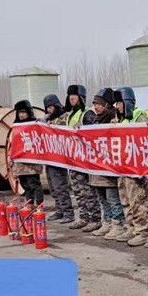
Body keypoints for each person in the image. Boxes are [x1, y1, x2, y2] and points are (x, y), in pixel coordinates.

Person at [114, 86, 148, 246]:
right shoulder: (122, 120)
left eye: (119, 102)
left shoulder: (139, 117)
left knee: (138, 202)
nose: (117, 106)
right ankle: (131, 227)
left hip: (136, 170)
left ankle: (142, 231)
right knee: (126, 200)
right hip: (123, 168)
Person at [87, 88, 127, 239]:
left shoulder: (112, 120)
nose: (95, 107)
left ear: (106, 105)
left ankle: (118, 224)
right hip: (96, 169)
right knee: (103, 200)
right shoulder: (95, 121)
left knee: (113, 199)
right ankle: (107, 222)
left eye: (98, 104)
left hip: (108, 169)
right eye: (94, 104)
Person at [64, 84, 103, 231]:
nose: (71, 98)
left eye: (74, 95)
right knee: (77, 191)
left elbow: (92, 135)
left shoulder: (87, 113)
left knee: (87, 190)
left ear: (80, 97)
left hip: (84, 160)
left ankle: (95, 218)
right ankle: (84, 217)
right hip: (73, 160)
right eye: (70, 95)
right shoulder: (70, 115)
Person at [43, 93, 75, 223]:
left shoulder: (64, 117)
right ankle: (59, 210)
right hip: (50, 158)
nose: (49, 110)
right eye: (47, 108)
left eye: (51, 107)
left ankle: (68, 212)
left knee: (60, 187)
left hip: (60, 159)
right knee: (53, 187)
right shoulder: (48, 120)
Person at [11, 100, 44, 206]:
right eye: (19, 112)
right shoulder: (16, 127)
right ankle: (29, 205)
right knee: (26, 185)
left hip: (31, 162)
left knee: (34, 184)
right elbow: (13, 144)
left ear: (29, 112)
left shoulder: (35, 125)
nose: (21, 115)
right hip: (20, 162)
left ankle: (39, 206)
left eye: (23, 112)